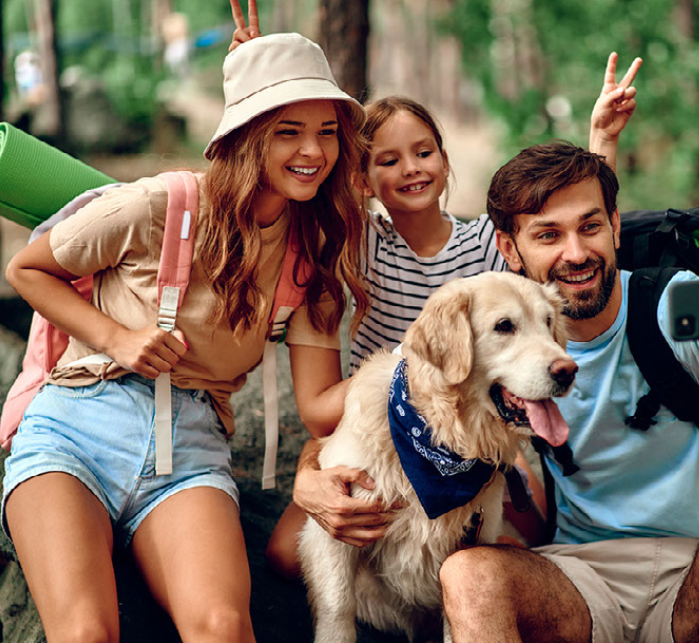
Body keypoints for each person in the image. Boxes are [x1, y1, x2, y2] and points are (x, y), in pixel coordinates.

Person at [225, 0, 645, 577]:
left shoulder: (483, 248)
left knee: (514, 547)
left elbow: (570, 227)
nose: (411, 169)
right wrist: (260, 84)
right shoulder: (358, 245)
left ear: (446, 163)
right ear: (362, 179)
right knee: (286, 554)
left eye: (424, 153)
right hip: (386, 419)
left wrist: (602, 141)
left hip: (475, 420)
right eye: (388, 160)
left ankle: (466, 616)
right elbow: (288, 195)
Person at [1, 30, 367, 643]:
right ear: (246, 136)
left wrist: (404, 374)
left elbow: (316, 407)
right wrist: (118, 337)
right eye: (288, 130)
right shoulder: (159, 203)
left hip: (192, 445)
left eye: (328, 131)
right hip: (77, 423)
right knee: (86, 641)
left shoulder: (311, 256)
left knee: (225, 631)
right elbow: (28, 269)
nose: (313, 151)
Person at [431, 141, 699, 643]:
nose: (575, 253)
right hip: (581, 581)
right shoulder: (495, 346)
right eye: (548, 235)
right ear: (510, 247)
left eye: (590, 226)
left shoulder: (676, 302)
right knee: (466, 575)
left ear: (616, 226)